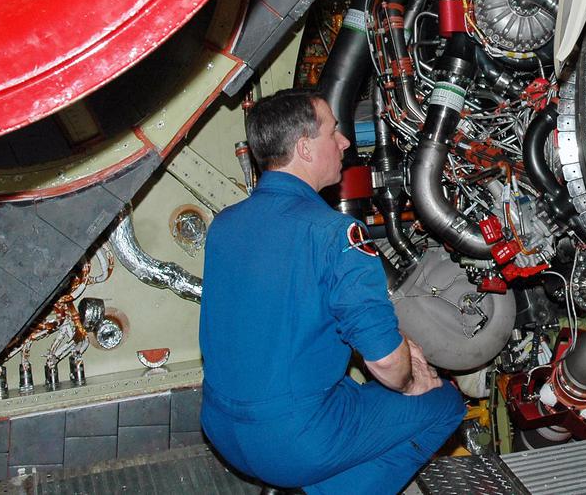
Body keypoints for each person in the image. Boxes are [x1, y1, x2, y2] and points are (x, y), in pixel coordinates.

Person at [199, 89, 465, 495]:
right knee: (444, 405)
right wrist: (413, 382)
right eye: (333, 131)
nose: (343, 142)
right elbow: (388, 367)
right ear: (305, 148)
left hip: (221, 429)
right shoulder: (336, 234)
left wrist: (398, 345)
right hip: (291, 444)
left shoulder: (225, 224)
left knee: (347, 391)